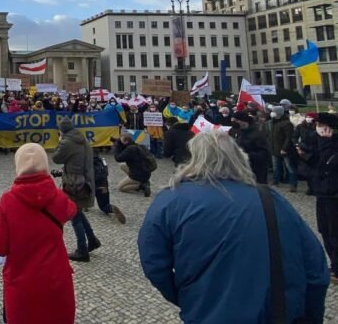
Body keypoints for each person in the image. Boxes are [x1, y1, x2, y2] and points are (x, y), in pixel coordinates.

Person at [138, 131, 329, 323]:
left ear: (193, 158)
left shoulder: (170, 200)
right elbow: (315, 269)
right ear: (238, 156)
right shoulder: (271, 199)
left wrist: (187, 298)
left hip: (207, 312)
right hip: (274, 314)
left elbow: (154, 264)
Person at [0, 143, 76, 324]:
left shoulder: (8, 200)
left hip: (22, 283)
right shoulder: (59, 197)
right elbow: (71, 210)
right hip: (56, 279)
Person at [51, 117, 105, 262]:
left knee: (74, 216)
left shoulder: (67, 142)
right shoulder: (82, 139)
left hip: (74, 183)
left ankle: (82, 250)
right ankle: (92, 240)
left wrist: (59, 141)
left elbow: (56, 158)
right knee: (78, 212)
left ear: (62, 130)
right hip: (85, 180)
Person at [312, 113, 338, 285]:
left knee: (334, 231)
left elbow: (327, 163)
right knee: (324, 230)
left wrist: (327, 143)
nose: (318, 127)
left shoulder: (333, 144)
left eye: (321, 124)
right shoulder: (318, 141)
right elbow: (314, 164)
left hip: (334, 194)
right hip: (321, 192)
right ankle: (334, 264)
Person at [230, 111, 270, 185]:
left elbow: (264, 154)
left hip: (255, 169)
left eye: (236, 121)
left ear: (243, 121)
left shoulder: (257, 134)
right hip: (239, 168)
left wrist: (246, 154)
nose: (234, 123)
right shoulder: (234, 131)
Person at [114, 132, 152, 197]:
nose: (119, 141)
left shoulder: (130, 149)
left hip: (137, 174)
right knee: (122, 166)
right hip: (146, 172)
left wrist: (116, 146)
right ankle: (141, 182)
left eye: (121, 140)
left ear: (126, 141)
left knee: (120, 188)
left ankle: (141, 185)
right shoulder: (136, 145)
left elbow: (118, 158)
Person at [270, 106, 298, 192]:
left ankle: (293, 184)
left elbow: (288, 137)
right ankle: (275, 181)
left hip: (285, 149)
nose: (272, 113)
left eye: (274, 111)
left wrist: (284, 148)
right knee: (276, 167)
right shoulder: (274, 122)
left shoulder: (286, 123)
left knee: (290, 167)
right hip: (275, 148)